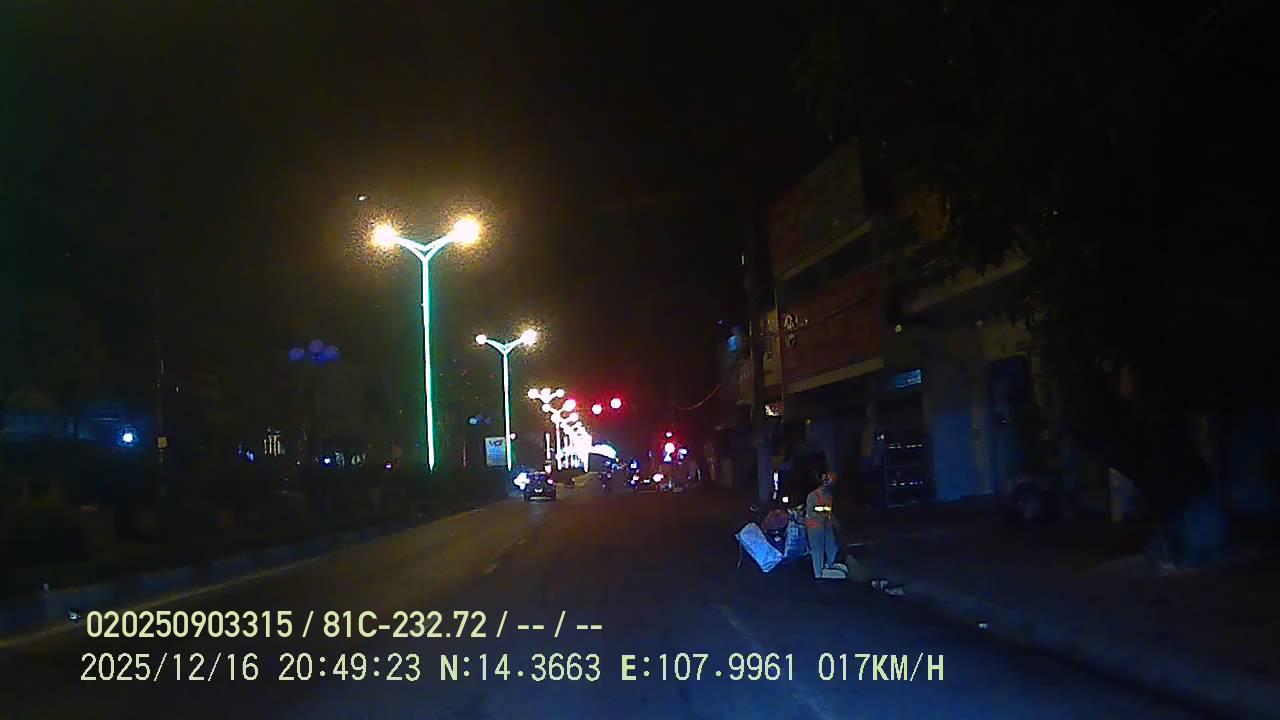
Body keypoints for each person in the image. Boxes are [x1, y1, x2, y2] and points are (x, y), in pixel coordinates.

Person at [805, 471, 849, 580]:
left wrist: (835, 523)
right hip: (815, 527)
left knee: (832, 546)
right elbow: (810, 512)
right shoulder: (813, 496)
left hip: (826, 526)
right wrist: (822, 517)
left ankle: (830, 566)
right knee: (817, 551)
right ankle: (818, 574)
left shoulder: (829, 496)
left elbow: (829, 512)